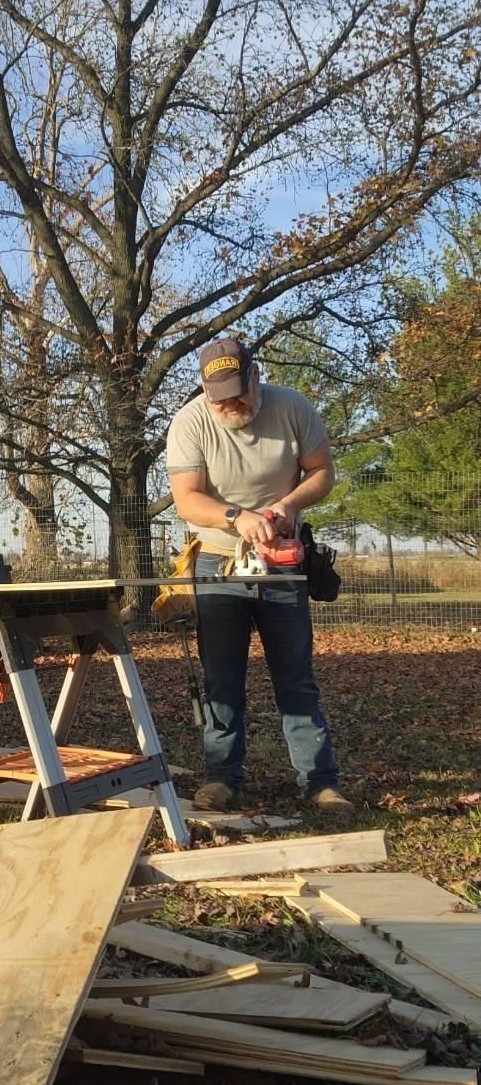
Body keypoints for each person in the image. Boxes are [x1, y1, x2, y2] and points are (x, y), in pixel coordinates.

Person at [166, 337, 352, 814]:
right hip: (216, 562)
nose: (231, 404)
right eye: (219, 396)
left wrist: (289, 504)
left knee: (296, 676)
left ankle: (319, 782)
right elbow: (188, 499)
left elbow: (322, 472)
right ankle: (222, 778)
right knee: (221, 678)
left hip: (283, 562)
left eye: (238, 391)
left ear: (255, 375)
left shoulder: (294, 408)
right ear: (205, 391)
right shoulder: (189, 422)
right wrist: (236, 518)